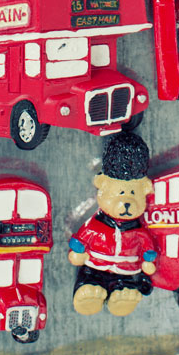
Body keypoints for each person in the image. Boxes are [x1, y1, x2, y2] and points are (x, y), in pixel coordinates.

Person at [69, 132, 158, 317]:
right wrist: (77, 252)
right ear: (102, 184)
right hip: (95, 267)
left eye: (133, 194)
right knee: (90, 279)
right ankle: (88, 293)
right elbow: (81, 240)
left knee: (126, 286)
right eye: (120, 194)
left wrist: (148, 261)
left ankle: (122, 296)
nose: (126, 203)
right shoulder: (95, 226)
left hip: (126, 271)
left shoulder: (139, 232)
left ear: (145, 189)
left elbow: (148, 248)